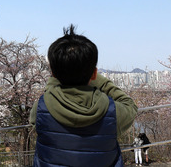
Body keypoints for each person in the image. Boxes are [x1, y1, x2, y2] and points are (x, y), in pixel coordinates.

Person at [29, 25, 138, 167]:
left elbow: (35, 120)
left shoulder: (41, 107)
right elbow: (130, 105)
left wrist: (57, 75)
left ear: (53, 74)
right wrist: (97, 78)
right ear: (93, 74)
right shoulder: (113, 112)